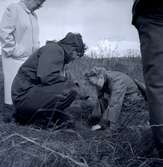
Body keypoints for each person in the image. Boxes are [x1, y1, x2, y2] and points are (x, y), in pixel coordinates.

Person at [11, 32, 87, 128]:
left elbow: (50, 80)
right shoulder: (55, 50)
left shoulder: (57, 53)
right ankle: (31, 118)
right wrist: (73, 85)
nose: (76, 58)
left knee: (68, 121)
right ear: (72, 48)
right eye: (78, 54)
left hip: (28, 94)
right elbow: (47, 77)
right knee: (71, 89)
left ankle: (28, 118)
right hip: (24, 95)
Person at [0, 0, 46, 121]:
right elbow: (4, 33)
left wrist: (36, 54)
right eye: (38, 3)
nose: (39, 6)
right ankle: (9, 117)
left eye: (41, 4)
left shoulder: (34, 15)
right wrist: (15, 51)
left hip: (29, 59)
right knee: (12, 87)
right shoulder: (14, 9)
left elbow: (35, 38)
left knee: (24, 88)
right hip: (13, 59)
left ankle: (21, 117)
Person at [132, 0, 163, 160]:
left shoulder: (117, 80)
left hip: (153, 11)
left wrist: (111, 126)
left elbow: (116, 101)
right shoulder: (105, 82)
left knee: (159, 86)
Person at [85, 67, 146, 131]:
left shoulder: (117, 81)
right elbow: (100, 99)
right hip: (120, 97)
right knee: (103, 99)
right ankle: (101, 120)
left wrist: (101, 124)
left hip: (132, 99)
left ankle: (110, 126)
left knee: (118, 121)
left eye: (95, 84)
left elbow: (115, 104)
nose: (95, 86)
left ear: (101, 77)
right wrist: (94, 117)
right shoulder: (102, 80)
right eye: (93, 84)